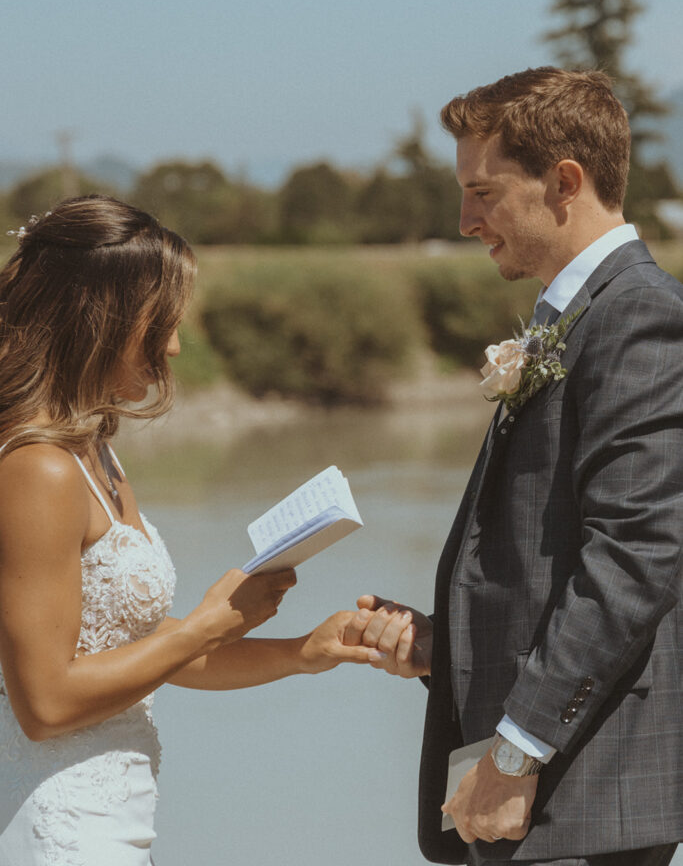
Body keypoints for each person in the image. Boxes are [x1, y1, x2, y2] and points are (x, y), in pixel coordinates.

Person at [344, 68, 682, 866]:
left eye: (483, 193)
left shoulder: (638, 317)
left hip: (581, 790)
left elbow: (636, 556)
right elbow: (541, 554)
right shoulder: (577, 315)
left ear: (564, 181)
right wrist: (447, 647)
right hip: (544, 790)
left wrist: (517, 749)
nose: (464, 220)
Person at [0, 195, 378, 866]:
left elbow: (143, 654)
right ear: (96, 317)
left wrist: (300, 652)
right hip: (59, 827)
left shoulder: (97, 456)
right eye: (159, 323)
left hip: (118, 821)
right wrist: (208, 623)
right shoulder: (39, 472)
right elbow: (47, 702)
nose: (173, 344)